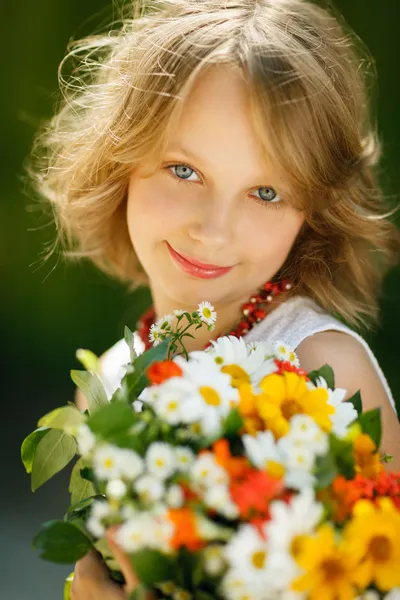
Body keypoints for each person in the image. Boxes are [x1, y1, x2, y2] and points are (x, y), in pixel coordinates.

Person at [27, 0, 400, 597]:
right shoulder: (108, 385)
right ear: (118, 158)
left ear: (314, 212)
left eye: (266, 191)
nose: (214, 230)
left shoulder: (324, 373)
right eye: (184, 171)